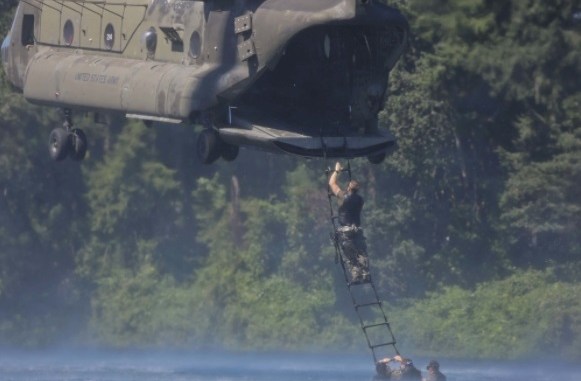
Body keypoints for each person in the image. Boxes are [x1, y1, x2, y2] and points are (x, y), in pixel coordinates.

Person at [328, 161, 370, 284]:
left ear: (348, 188)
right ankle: (365, 274)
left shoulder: (342, 196)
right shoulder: (360, 200)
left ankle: (356, 276)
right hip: (357, 228)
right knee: (361, 252)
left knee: (350, 255)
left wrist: (337, 171)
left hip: (346, 230)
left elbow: (332, 183)